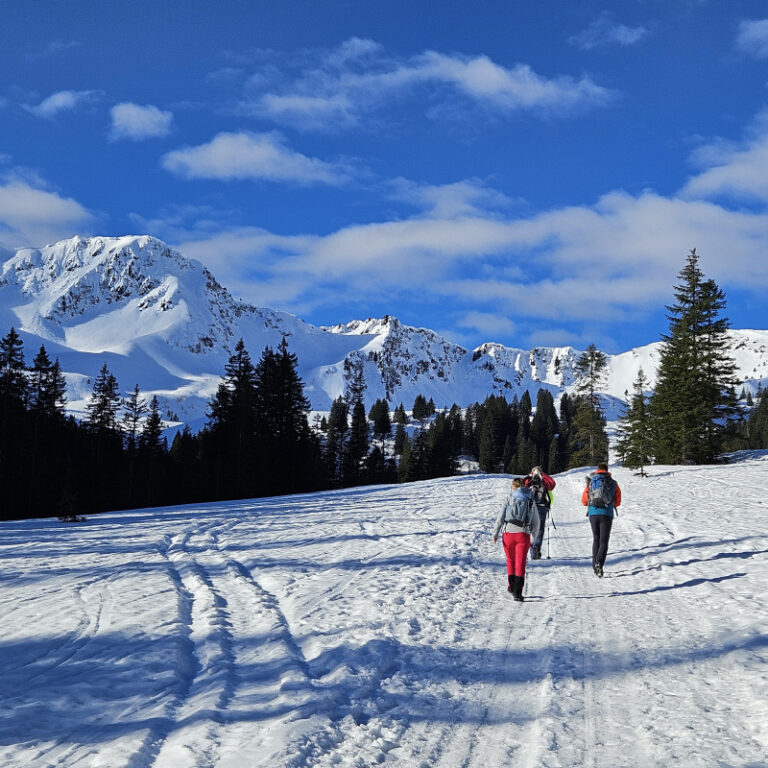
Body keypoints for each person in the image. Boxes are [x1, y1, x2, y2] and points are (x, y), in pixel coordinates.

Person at [492, 477, 538, 601]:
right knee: (520, 563)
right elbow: (536, 522)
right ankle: (518, 592)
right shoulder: (530, 499)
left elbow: (500, 517)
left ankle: (511, 587)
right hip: (523, 534)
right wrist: (534, 536)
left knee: (510, 560)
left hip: (508, 534)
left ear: (514, 487)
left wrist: (495, 534)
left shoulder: (509, 498)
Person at [581, 461, 622, 577]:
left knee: (596, 539)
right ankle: (599, 563)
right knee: (604, 541)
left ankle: (595, 566)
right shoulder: (613, 483)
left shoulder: (591, 482)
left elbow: (584, 500)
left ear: (597, 469)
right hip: (606, 514)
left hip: (593, 514)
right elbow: (618, 501)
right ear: (607, 470)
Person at [524, 466, 556, 559]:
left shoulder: (528, 480)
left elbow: (523, 489)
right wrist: (548, 506)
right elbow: (551, 492)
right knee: (540, 528)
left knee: (528, 526)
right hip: (542, 507)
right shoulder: (545, 481)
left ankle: (528, 546)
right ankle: (536, 548)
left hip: (530, 507)